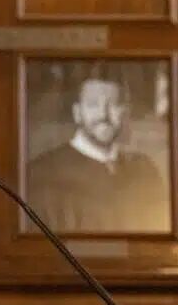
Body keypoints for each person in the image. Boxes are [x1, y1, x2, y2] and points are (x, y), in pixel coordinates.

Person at [27, 69, 167, 232]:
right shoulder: (41, 173)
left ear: (125, 112)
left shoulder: (145, 170)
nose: (103, 115)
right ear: (77, 113)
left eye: (113, 104)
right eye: (93, 104)